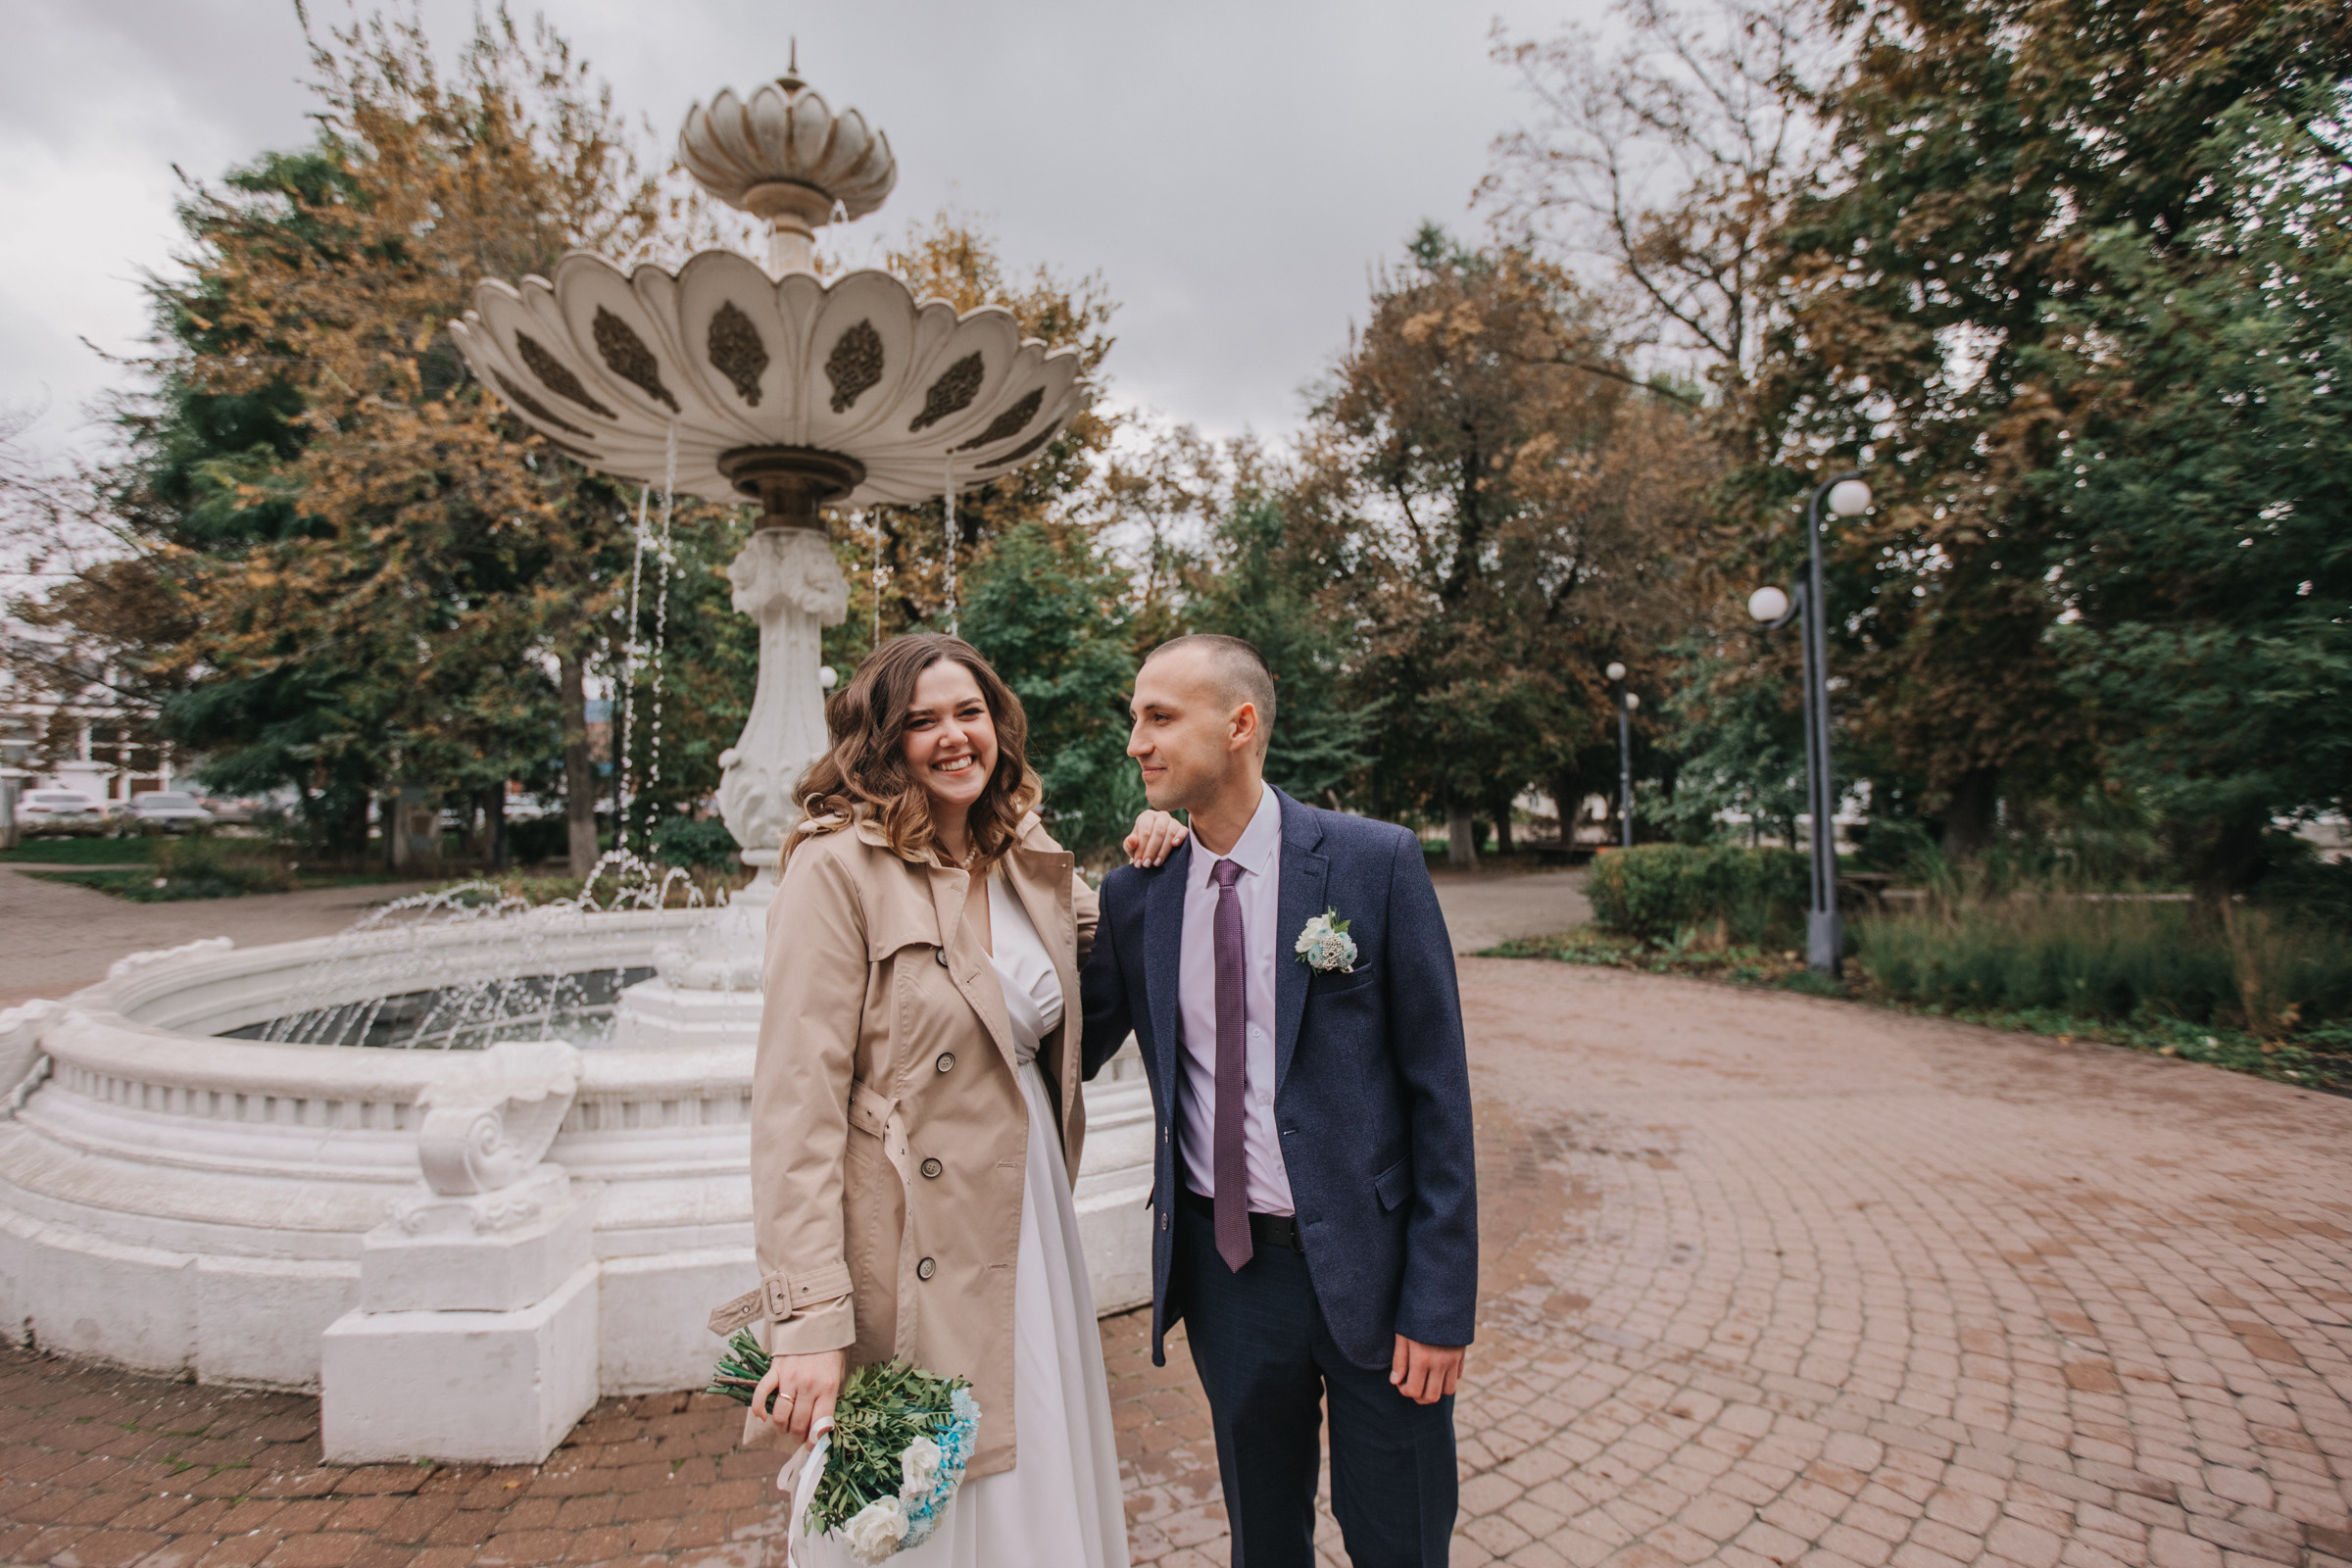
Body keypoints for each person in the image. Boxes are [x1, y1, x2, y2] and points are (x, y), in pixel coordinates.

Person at [727, 633, 1185, 1567]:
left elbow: (1120, 943)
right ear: (880, 741)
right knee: (918, 1490)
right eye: (922, 721)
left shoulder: (1025, 853)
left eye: (968, 713)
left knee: (1031, 1450)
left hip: (1025, 1213)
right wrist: (808, 1324)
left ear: (997, 725)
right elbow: (794, 1111)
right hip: (909, 1233)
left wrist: (1162, 846)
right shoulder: (835, 868)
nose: (952, 737)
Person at [1082, 634, 1479, 1568]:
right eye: (1133, 718)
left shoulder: (1372, 863)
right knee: (1265, 1540)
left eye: (1160, 717)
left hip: (1377, 1273)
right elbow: (1064, 1045)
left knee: (1402, 1538)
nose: (1135, 740)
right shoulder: (1139, 895)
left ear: (1241, 724)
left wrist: (1440, 1300)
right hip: (1230, 1275)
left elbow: (1440, 1096)